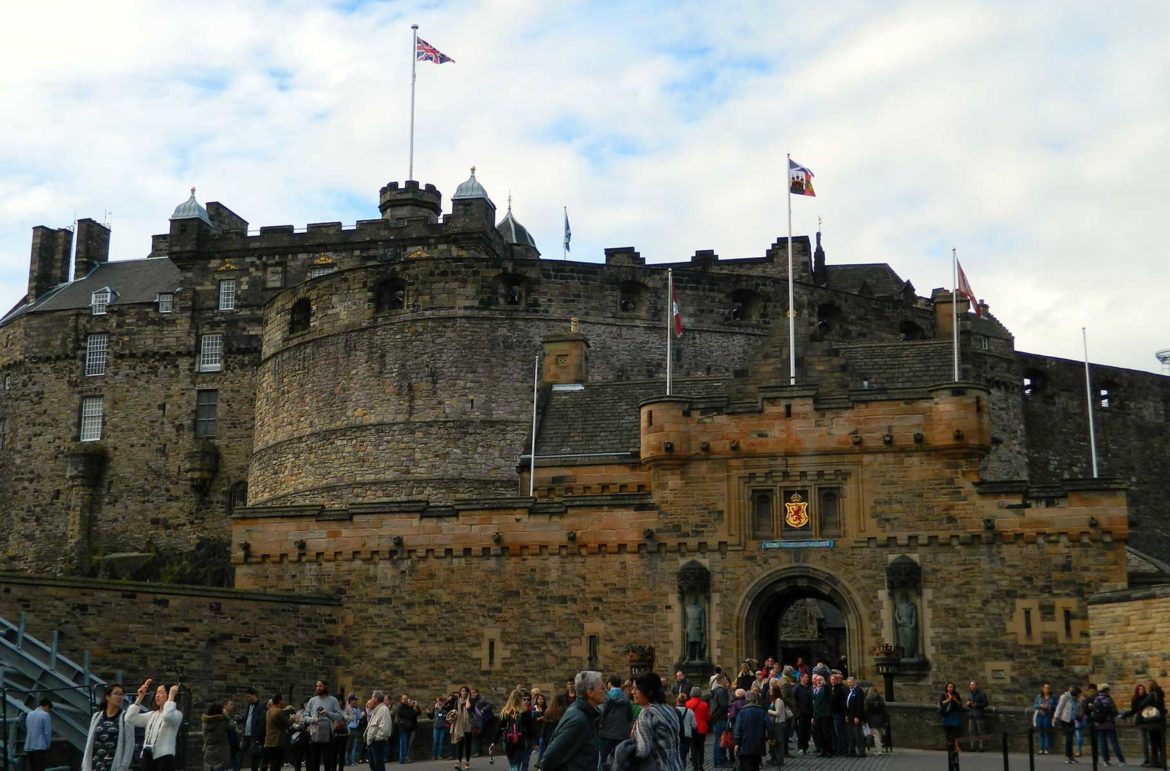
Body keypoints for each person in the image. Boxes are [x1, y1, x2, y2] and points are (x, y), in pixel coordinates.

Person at [615, 672, 682, 771]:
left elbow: (642, 751)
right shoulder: (668, 708)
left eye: (636, 689)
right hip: (676, 766)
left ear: (649, 692)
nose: (632, 692)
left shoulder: (647, 714)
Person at [541, 670, 605, 771]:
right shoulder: (578, 720)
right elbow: (550, 757)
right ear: (590, 692)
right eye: (602, 688)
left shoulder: (586, 714)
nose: (605, 690)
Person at [126, 680, 183, 771]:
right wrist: (140, 696)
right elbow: (130, 718)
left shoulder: (177, 715)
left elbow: (167, 716)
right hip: (147, 757)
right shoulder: (152, 715)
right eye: (157, 692)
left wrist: (171, 697)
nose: (157, 695)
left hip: (164, 758)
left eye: (161, 692)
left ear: (168, 695)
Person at [83, 683, 133, 771]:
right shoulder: (97, 716)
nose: (119, 697)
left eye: (121, 694)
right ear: (107, 697)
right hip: (95, 762)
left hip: (113, 765)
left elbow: (129, 746)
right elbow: (90, 741)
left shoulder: (126, 717)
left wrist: (123, 766)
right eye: (116, 694)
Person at [304, 681, 345, 771]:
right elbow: (305, 716)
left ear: (326, 687)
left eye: (320, 686)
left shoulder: (333, 700)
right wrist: (312, 719)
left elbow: (339, 716)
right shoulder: (312, 700)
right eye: (317, 686)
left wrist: (328, 713)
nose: (318, 688)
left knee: (327, 759)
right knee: (315, 759)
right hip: (314, 730)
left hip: (328, 732)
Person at [491, 690, 534, 771]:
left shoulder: (505, 711)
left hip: (508, 741)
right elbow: (530, 729)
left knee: (513, 764)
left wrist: (494, 743)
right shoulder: (525, 712)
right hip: (522, 741)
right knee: (519, 762)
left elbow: (500, 729)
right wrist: (532, 742)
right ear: (521, 699)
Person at [598, 674, 632, 768]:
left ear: (609, 683)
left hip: (606, 734)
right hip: (622, 735)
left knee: (604, 762)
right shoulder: (626, 699)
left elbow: (600, 713)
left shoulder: (606, 697)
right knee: (620, 762)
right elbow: (629, 716)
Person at [731, 691, 767, 771]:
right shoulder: (762, 711)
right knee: (756, 765)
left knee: (747, 765)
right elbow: (769, 725)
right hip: (758, 743)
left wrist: (737, 742)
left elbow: (738, 728)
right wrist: (771, 737)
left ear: (746, 699)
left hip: (745, 743)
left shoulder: (742, 712)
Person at [1092, 683, 1125, 766]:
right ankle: (1121, 760)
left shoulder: (1096, 699)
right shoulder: (1108, 699)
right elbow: (1114, 711)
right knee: (1114, 742)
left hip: (1099, 723)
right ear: (1106, 690)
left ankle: (1105, 760)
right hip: (1109, 723)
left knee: (1103, 743)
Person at [263, 693, 295, 771]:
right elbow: (286, 724)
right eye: (282, 700)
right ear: (279, 701)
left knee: (269, 763)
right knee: (276, 764)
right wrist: (292, 719)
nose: (283, 702)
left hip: (268, 741)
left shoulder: (268, 711)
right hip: (277, 741)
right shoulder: (279, 711)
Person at [1053, 684, 1081, 764]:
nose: (1078, 697)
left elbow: (1076, 708)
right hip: (1065, 719)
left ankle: (1071, 757)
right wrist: (1055, 717)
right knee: (1068, 738)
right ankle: (1067, 757)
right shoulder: (1064, 697)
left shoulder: (1075, 699)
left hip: (1072, 719)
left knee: (1071, 739)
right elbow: (1059, 707)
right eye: (1078, 695)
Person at [684, 686, 710, 771]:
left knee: (693, 747)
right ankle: (701, 765)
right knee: (701, 747)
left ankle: (695, 765)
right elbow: (708, 717)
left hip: (691, 728)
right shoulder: (704, 704)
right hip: (701, 728)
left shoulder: (687, 704)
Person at [447, 687, 473, 771]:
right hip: (459, 725)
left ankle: (467, 762)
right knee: (460, 744)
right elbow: (454, 712)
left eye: (465, 691)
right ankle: (458, 762)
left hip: (468, 725)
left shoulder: (471, 701)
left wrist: (468, 698)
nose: (464, 692)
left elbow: (468, 707)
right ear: (460, 692)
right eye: (462, 691)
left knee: (468, 745)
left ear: (468, 693)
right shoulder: (456, 702)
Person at [365, 691, 392, 771]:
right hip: (372, 743)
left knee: (378, 766)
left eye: (372, 697)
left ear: (376, 699)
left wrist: (376, 738)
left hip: (377, 743)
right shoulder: (375, 710)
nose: (370, 699)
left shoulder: (383, 710)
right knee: (373, 766)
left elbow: (384, 728)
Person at [24, 697, 53, 771]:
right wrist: (48, 745)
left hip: (29, 746)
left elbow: (28, 728)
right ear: (46, 706)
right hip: (40, 747)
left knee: (32, 768)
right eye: (49, 709)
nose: (49, 711)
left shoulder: (29, 714)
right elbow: (47, 732)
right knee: (40, 768)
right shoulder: (45, 715)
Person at [708, 675, 730, 768]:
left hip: (716, 718)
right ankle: (720, 760)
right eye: (725, 680)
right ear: (721, 681)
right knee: (720, 739)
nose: (726, 682)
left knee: (718, 739)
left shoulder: (716, 691)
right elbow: (724, 704)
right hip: (721, 718)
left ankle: (719, 760)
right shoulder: (721, 691)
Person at [204, 703, 234, 771]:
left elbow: (205, 735)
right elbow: (233, 726)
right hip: (222, 751)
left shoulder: (206, 723)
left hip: (209, 751)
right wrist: (227, 716)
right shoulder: (224, 723)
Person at [766, 681, 789, 767]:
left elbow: (778, 713)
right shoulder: (773, 700)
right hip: (774, 723)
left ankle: (780, 760)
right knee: (774, 742)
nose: (770, 691)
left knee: (779, 742)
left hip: (779, 723)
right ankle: (774, 758)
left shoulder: (779, 700)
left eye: (771, 690)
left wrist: (768, 711)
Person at [843, 676, 866, 758]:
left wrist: (857, 716)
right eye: (848, 683)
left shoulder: (858, 691)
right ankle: (851, 751)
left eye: (851, 682)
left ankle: (861, 752)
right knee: (850, 735)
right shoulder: (848, 691)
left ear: (854, 682)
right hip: (849, 716)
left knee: (858, 735)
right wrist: (846, 715)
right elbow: (846, 704)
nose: (849, 684)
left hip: (856, 717)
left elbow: (860, 706)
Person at [810, 674, 832, 758]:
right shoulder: (816, 690)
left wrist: (824, 683)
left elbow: (827, 689)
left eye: (820, 680)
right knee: (819, 734)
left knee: (826, 733)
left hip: (825, 715)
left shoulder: (825, 689)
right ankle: (823, 750)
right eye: (817, 680)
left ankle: (829, 751)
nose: (818, 682)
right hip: (817, 715)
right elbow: (814, 704)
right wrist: (813, 716)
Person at [1032, 682, 1057, 755]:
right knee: (1041, 732)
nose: (1047, 689)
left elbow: (1056, 706)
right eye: (1045, 688)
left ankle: (1046, 748)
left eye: (1048, 688)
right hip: (1040, 715)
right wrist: (1040, 705)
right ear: (1042, 688)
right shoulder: (1039, 696)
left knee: (1046, 731)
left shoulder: (1053, 697)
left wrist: (1049, 706)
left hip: (1048, 715)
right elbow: (1034, 705)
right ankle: (1041, 748)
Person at [939, 682, 963, 754]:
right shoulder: (944, 694)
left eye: (952, 687)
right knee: (948, 731)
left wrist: (955, 699)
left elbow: (960, 704)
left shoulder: (956, 694)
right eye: (949, 687)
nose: (950, 688)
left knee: (955, 731)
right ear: (947, 687)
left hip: (954, 714)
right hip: (947, 715)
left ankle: (956, 746)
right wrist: (949, 699)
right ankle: (950, 746)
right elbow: (941, 703)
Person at [864, 686, 890, 754]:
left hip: (872, 718)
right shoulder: (880, 698)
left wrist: (865, 719)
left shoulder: (868, 699)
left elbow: (866, 710)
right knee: (879, 734)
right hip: (881, 718)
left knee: (876, 735)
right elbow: (884, 710)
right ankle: (879, 747)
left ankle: (878, 750)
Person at [964, 681, 988, 752]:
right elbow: (968, 702)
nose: (971, 686)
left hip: (979, 715)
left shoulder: (982, 694)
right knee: (971, 731)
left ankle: (981, 747)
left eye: (973, 685)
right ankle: (973, 747)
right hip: (971, 715)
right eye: (971, 685)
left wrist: (977, 704)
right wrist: (968, 704)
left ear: (976, 686)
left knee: (981, 731)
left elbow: (986, 703)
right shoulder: (969, 694)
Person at [395, 694, 420, 764]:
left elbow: (416, 713)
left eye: (406, 698)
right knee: (403, 744)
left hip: (408, 728)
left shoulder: (407, 707)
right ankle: (402, 759)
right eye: (404, 699)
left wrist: (415, 706)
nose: (406, 700)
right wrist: (411, 706)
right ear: (401, 700)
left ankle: (404, 758)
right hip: (403, 729)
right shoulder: (401, 707)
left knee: (405, 744)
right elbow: (408, 715)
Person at [430, 694, 454, 761]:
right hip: (436, 727)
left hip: (442, 727)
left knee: (441, 742)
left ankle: (439, 755)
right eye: (438, 701)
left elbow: (445, 716)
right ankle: (434, 755)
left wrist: (440, 710)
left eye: (440, 701)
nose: (439, 702)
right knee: (435, 741)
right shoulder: (434, 709)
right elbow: (431, 717)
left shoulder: (444, 709)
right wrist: (428, 713)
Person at [792, 672, 811, 756]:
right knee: (801, 731)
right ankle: (800, 747)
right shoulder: (797, 688)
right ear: (801, 678)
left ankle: (805, 748)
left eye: (808, 677)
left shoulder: (808, 688)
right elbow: (794, 700)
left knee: (807, 731)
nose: (807, 679)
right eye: (806, 677)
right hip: (801, 714)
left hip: (808, 713)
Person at [674, 694, 695, 768]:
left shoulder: (673, 711)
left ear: (677, 701)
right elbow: (694, 725)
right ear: (685, 701)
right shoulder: (690, 712)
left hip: (677, 735)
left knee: (677, 756)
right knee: (683, 757)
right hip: (687, 736)